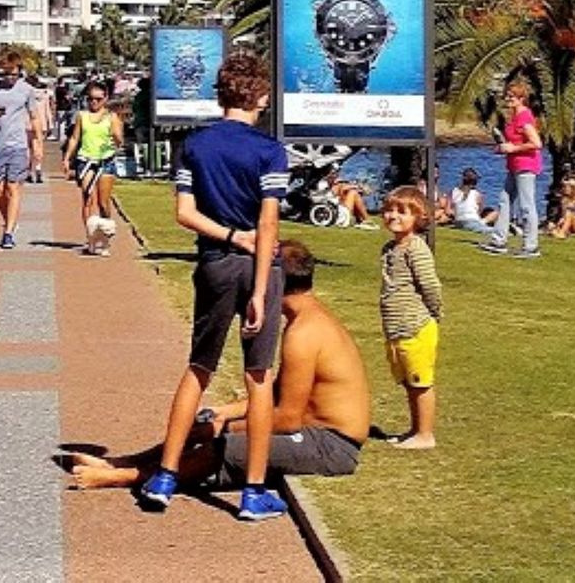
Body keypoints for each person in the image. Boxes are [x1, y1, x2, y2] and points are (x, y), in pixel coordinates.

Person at [69, 240, 371, 494]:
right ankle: (126, 462)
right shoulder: (308, 320)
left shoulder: (303, 334)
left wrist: (221, 427)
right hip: (314, 430)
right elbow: (279, 395)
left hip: (331, 445)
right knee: (200, 427)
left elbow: (288, 418)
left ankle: (125, 477)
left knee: (224, 445)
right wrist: (224, 412)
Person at [140, 50, 290, 522]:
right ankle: (254, 492)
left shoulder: (195, 146)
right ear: (261, 96)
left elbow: (184, 214)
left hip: (213, 263)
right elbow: (268, 226)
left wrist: (227, 236)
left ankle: (165, 474)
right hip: (257, 267)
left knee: (199, 367)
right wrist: (261, 291)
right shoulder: (270, 150)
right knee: (258, 376)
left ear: (220, 93)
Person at [379, 186, 442, 450]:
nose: (393, 216)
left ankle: (425, 434)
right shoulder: (390, 248)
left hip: (416, 326)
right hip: (397, 328)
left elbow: (430, 286)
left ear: (418, 218)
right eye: (389, 210)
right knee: (408, 382)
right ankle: (414, 429)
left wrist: (435, 313)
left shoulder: (416, 249)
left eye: (402, 212)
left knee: (420, 382)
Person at [0, 52, 42, 249]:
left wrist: (37, 144)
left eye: (14, 74)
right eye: (6, 74)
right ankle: (9, 220)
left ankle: (8, 232)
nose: (10, 78)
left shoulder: (27, 90)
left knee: (13, 187)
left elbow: (34, 117)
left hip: (18, 145)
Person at [481, 81, 543, 259]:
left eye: (512, 96)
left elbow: (536, 143)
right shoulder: (514, 117)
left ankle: (531, 246)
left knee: (526, 206)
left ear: (522, 98)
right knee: (504, 201)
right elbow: (513, 143)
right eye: (507, 95)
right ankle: (498, 241)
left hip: (526, 167)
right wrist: (503, 148)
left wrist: (513, 149)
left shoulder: (524, 117)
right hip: (514, 166)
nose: (508, 99)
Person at [62, 80, 124, 255]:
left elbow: (119, 140)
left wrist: (116, 137)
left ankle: (104, 237)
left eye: (98, 99)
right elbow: (75, 138)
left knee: (103, 202)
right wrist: (67, 158)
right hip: (86, 159)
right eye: (90, 99)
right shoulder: (82, 116)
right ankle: (90, 237)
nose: (94, 102)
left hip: (105, 160)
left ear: (105, 98)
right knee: (87, 198)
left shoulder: (112, 117)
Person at [448, 167, 497, 235]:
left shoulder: (453, 191)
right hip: (472, 220)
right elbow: (479, 212)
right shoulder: (477, 194)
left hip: (458, 221)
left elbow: (448, 210)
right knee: (494, 217)